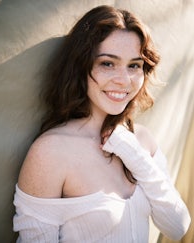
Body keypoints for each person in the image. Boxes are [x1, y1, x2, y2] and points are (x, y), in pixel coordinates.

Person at [13, 5, 191, 243]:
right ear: (81, 66)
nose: (124, 80)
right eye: (107, 63)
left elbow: (177, 227)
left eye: (134, 65)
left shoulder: (142, 140)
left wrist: (135, 155)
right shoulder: (50, 152)